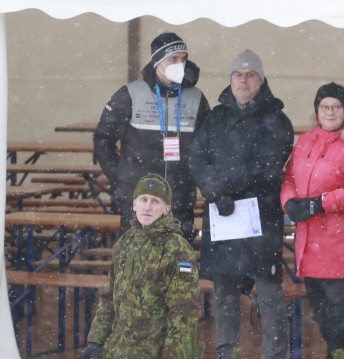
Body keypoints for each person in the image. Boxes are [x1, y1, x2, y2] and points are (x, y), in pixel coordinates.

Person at [188, 49, 293, 359]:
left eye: (250, 75)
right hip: (221, 214)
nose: (244, 80)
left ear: (261, 81)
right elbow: (196, 157)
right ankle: (226, 352)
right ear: (230, 79)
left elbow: (269, 166)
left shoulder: (276, 119)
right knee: (225, 289)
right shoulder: (215, 117)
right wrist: (211, 189)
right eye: (238, 74)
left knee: (269, 289)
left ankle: (274, 354)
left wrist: (222, 186)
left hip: (261, 216)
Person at [280, 82, 344, 358]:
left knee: (341, 322)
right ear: (316, 111)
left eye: (336, 107)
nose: (330, 112)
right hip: (310, 248)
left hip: (341, 247)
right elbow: (289, 178)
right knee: (323, 317)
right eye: (324, 107)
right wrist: (289, 202)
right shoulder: (306, 142)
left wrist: (320, 202)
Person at [94, 32, 210, 243]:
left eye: (183, 59)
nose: (180, 64)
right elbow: (103, 139)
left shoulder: (196, 98)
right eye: (173, 59)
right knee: (137, 265)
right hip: (140, 201)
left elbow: (207, 147)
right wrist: (121, 177)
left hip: (179, 199)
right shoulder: (130, 94)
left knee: (176, 266)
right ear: (157, 61)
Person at [82, 174, 200, 359]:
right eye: (143, 199)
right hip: (116, 351)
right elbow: (109, 297)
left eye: (155, 201)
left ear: (166, 209)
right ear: (134, 204)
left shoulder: (176, 249)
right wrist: (96, 340)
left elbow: (183, 313)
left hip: (153, 352)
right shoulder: (125, 243)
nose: (147, 206)